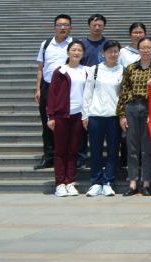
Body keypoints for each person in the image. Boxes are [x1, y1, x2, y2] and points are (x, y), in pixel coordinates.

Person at [117, 35, 151, 196]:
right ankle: (133, 182)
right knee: (132, 147)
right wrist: (122, 114)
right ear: (138, 49)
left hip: (149, 108)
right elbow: (124, 91)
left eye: (148, 48)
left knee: (147, 148)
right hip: (131, 107)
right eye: (142, 47)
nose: (145, 50)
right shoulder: (130, 68)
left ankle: (146, 182)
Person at [46, 39, 88, 196]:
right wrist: (51, 115)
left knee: (73, 150)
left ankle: (70, 181)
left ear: (83, 53)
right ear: (68, 52)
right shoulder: (60, 71)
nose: (76, 52)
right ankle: (60, 183)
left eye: (79, 50)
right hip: (61, 116)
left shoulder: (86, 71)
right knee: (60, 150)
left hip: (78, 116)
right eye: (74, 50)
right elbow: (52, 94)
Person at [83, 40, 123, 197]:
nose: (113, 54)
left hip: (114, 116)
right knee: (96, 150)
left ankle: (108, 182)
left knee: (113, 150)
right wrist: (85, 115)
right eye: (109, 51)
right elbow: (88, 93)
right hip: (96, 115)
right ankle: (96, 182)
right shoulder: (95, 69)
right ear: (103, 53)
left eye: (115, 51)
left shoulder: (123, 70)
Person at [34, 14, 73, 170]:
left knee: (67, 122)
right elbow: (40, 68)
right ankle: (49, 156)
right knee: (47, 122)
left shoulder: (74, 44)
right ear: (54, 27)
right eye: (59, 25)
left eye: (66, 25)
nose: (62, 28)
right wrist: (38, 89)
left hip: (67, 89)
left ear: (70, 27)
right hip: (47, 87)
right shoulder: (46, 44)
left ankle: (67, 156)